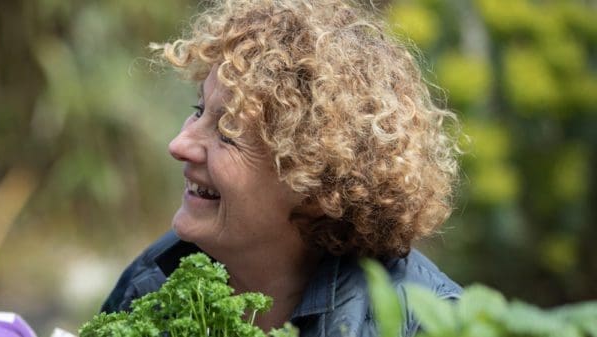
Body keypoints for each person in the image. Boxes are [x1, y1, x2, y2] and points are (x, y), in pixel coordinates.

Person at [101, 0, 462, 336]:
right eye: (198, 112)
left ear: (319, 187)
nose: (179, 145)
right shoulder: (153, 280)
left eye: (228, 132)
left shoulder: (424, 322)